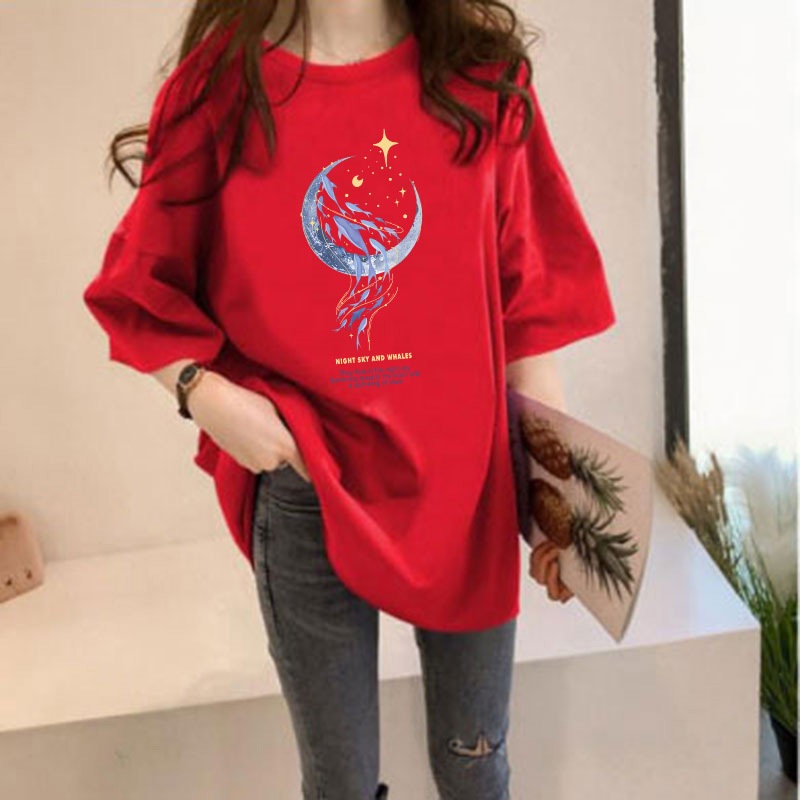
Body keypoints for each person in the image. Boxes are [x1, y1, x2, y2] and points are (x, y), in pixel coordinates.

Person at [82, 1, 617, 797]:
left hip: (466, 487)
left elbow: (528, 310)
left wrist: (555, 498)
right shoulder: (220, 89)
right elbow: (138, 286)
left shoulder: (483, 77)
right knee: (340, 783)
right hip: (307, 486)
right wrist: (205, 396)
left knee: (477, 767)